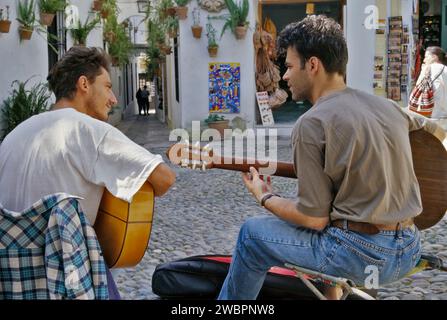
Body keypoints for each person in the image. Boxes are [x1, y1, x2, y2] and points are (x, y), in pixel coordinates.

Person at [217, 15, 438, 300]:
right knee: (338, 220)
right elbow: (436, 133)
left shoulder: (312, 123)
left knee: (251, 234)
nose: (284, 76)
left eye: (289, 66)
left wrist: (265, 196)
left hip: (363, 255)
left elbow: (313, 219)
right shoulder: (388, 107)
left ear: (313, 65)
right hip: (409, 247)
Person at [0, 47, 176, 298]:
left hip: (15, 281)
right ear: (84, 84)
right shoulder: (89, 130)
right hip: (67, 278)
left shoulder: (13, 136)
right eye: (107, 86)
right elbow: (164, 179)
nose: (113, 98)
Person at [416, 46, 447, 129]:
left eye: (426, 57)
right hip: (444, 117)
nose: (424, 60)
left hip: (429, 115)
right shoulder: (446, 70)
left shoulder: (427, 69)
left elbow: (418, 87)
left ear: (434, 57)